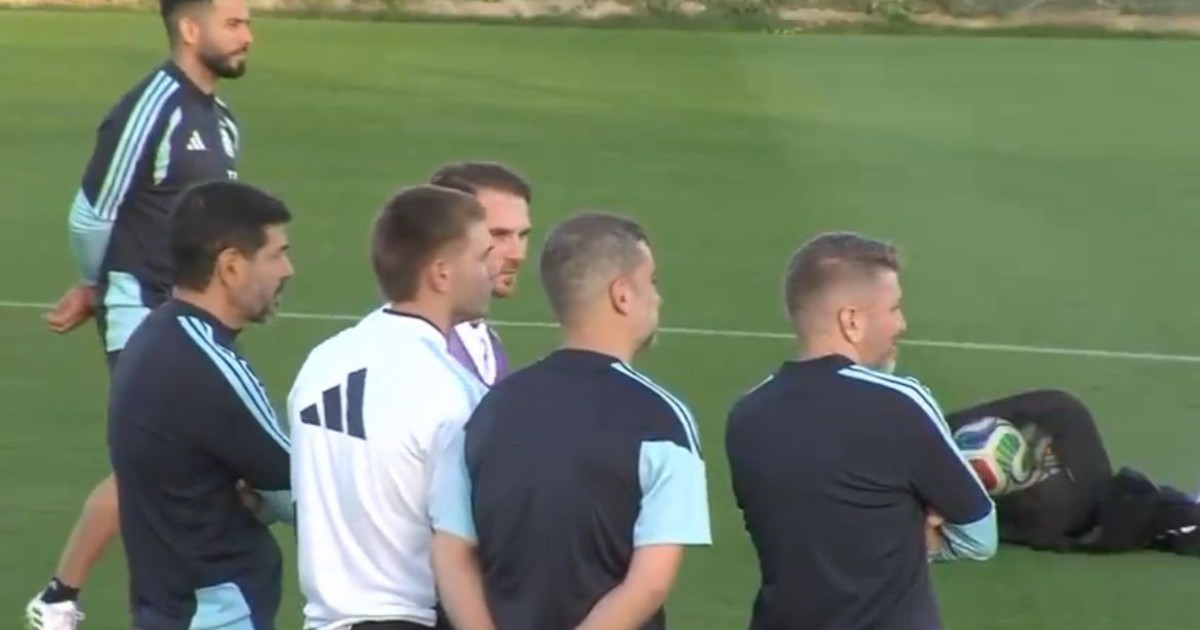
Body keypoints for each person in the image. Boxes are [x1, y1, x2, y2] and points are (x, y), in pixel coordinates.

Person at [29, 0, 252, 625]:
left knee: (186, 460)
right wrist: (94, 283)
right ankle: (63, 597)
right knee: (158, 460)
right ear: (190, 28)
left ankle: (73, 596)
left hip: (200, 318)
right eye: (234, 24)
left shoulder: (222, 122)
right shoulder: (151, 108)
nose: (247, 36)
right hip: (145, 308)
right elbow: (91, 214)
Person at [430, 211, 712, 630]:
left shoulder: (489, 410)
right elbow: (649, 584)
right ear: (622, 295)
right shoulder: (661, 420)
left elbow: (451, 555)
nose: (658, 298)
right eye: (652, 282)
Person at [724, 231, 997, 630]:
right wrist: (921, 537)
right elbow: (979, 536)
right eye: (894, 308)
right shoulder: (901, 402)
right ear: (851, 321)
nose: (901, 323)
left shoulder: (746, 416)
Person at [287, 184, 494, 629]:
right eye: (481, 257)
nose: (491, 272)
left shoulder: (321, 363)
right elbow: (467, 537)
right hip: (407, 617)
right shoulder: (452, 390)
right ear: (441, 274)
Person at [107, 180, 295, 629]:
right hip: (216, 615)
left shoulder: (157, 336)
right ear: (230, 266)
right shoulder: (208, 364)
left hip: (169, 609)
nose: (287, 270)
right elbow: (306, 489)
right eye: (275, 255)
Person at [947, 388, 1200, 556]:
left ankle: (937, 436)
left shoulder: (1055, 510)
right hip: (1078, 503)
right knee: (1060, 408)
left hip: (1069, 508)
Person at [427, 160, 533, 385]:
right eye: (499, 235)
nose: (518, 255)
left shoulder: (485, 342)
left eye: (522, 235)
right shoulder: (414, 349)